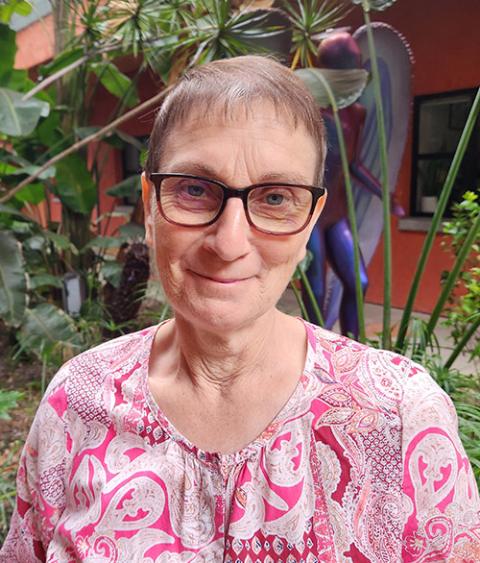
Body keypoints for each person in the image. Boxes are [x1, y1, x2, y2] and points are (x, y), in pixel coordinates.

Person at [1, 56, 479, 562]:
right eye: (194, 189)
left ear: (310, 221)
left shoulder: (399, 417)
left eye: (275, 198)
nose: (229, 243)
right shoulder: (77, 403)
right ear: (149, 204)